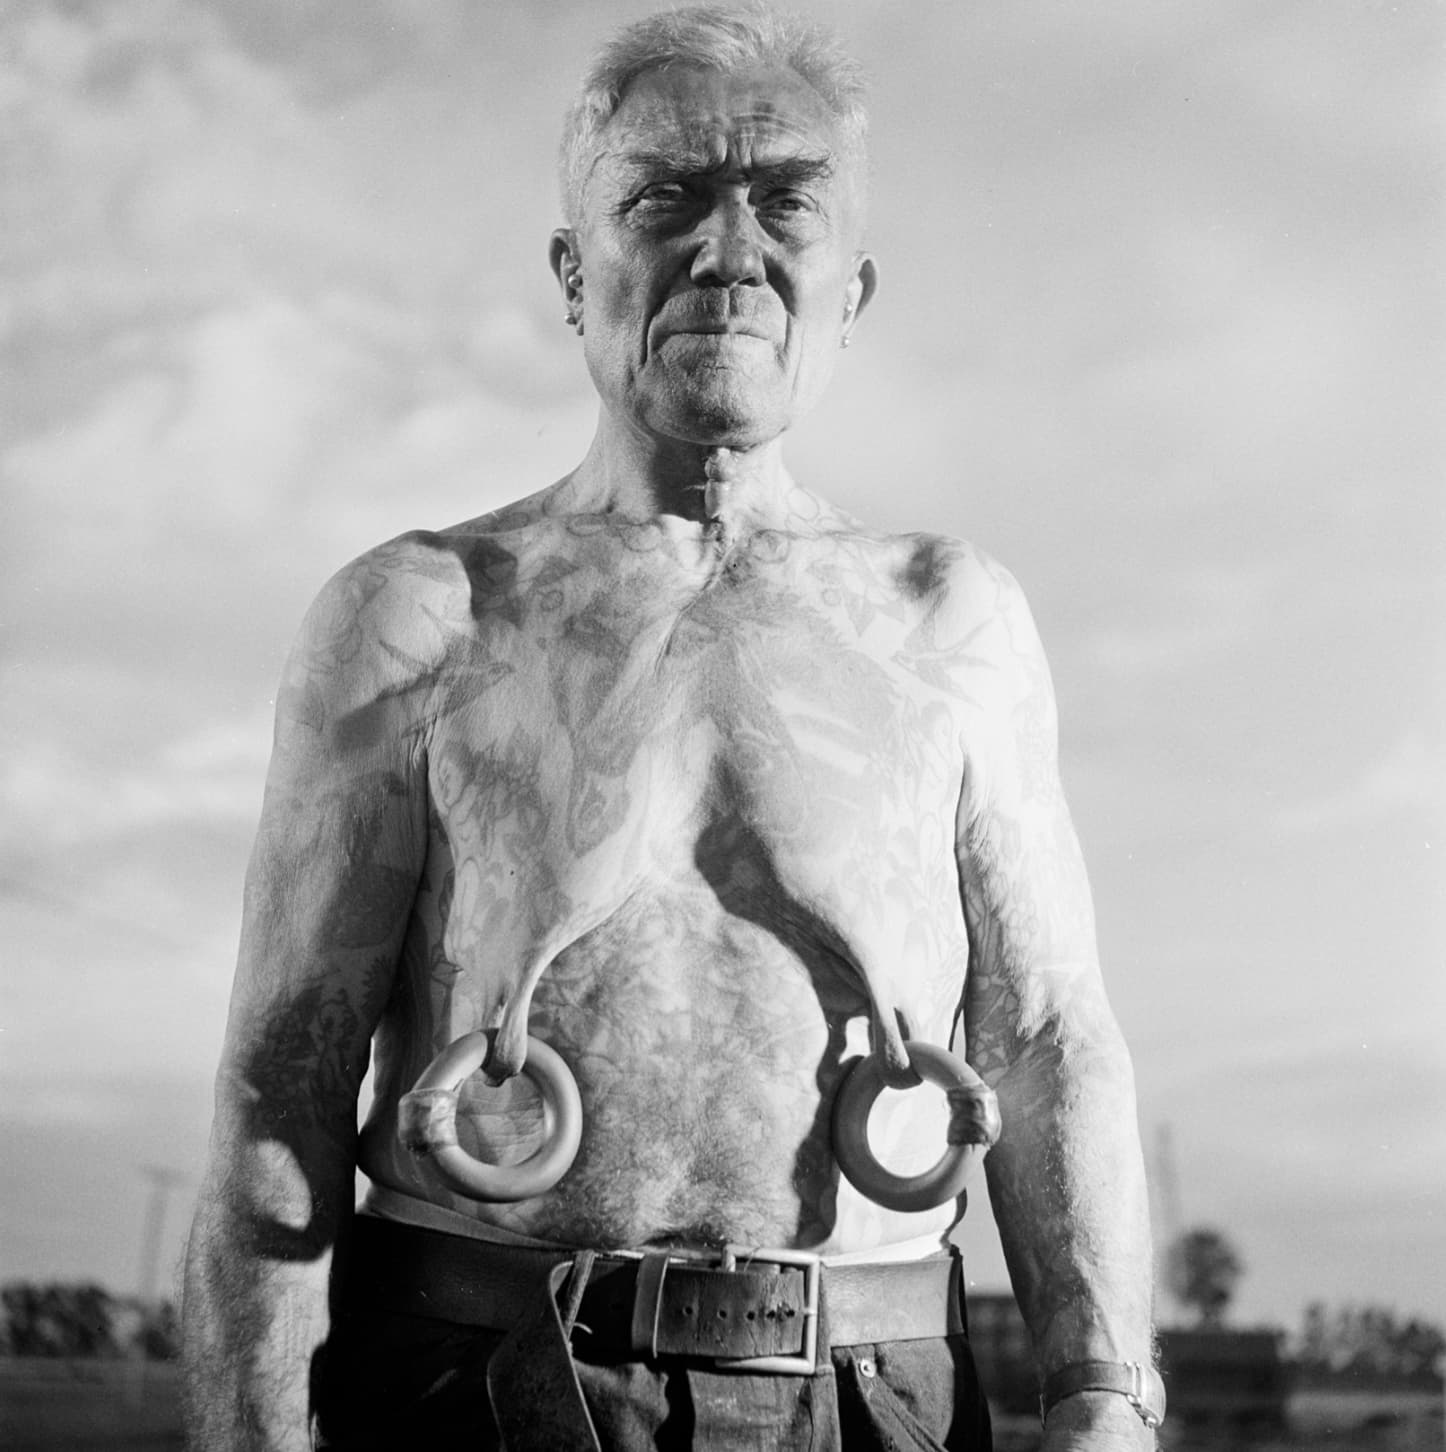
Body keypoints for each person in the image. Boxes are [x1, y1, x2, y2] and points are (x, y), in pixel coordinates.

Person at [182, 6, 1161, 1449]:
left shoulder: (951, 618)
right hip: (479, 1382)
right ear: (574, 275)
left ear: (851, 286)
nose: (727, 249)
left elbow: (1049, 1036)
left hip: (869, 1394)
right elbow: (286, 1079)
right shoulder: (417, 616)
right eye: (664, 199)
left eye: (784, 201)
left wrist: (1104, 1394)